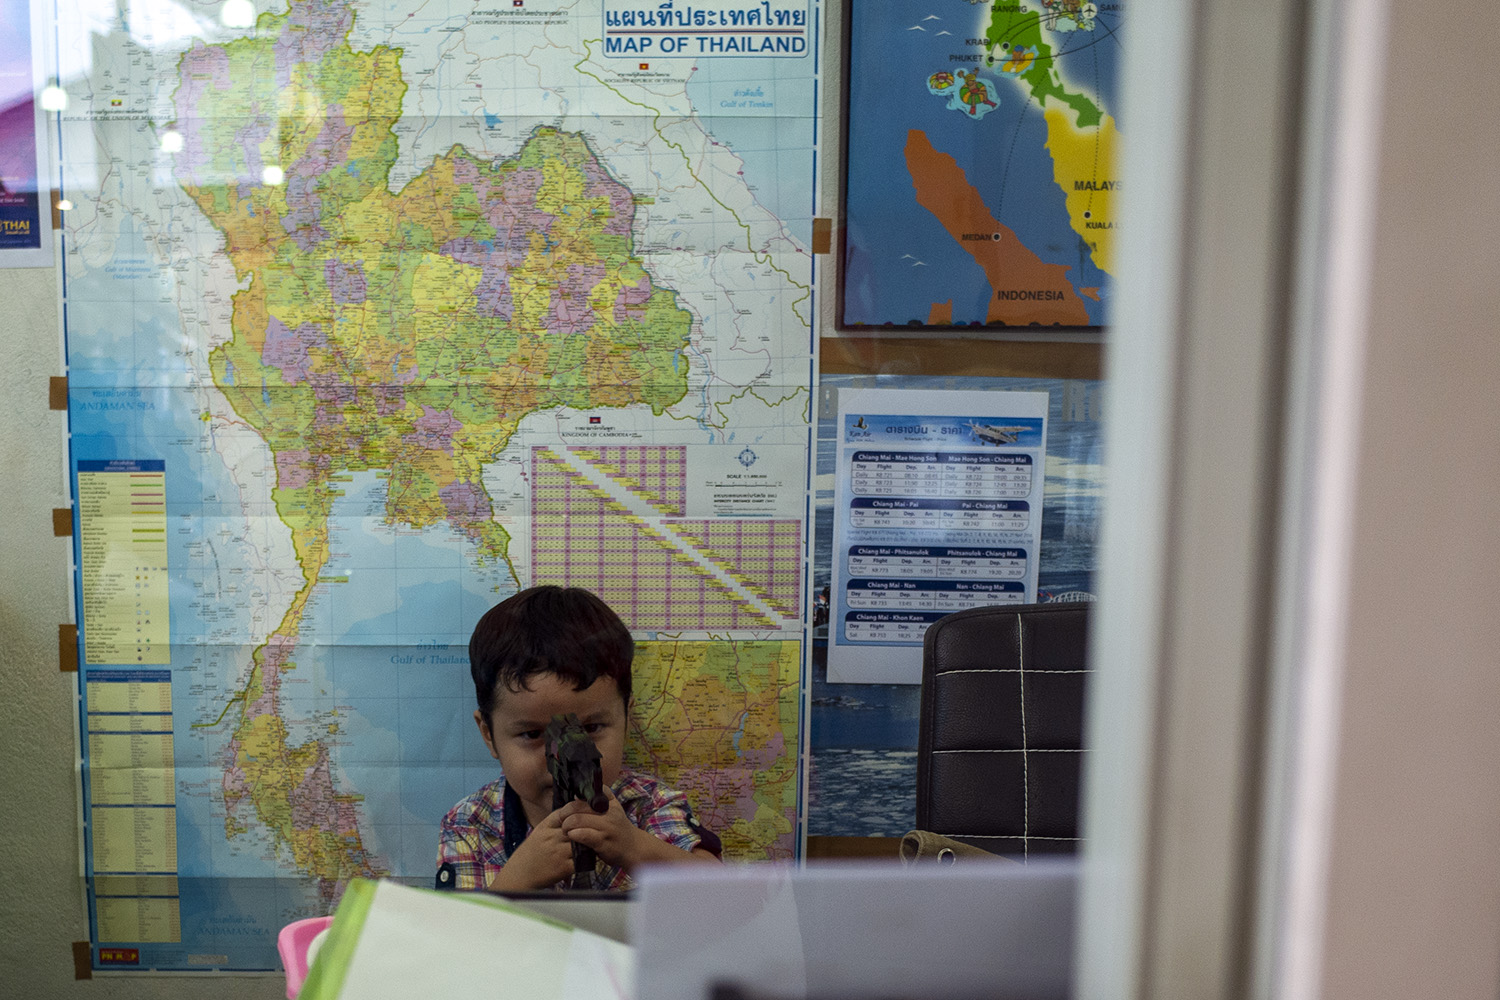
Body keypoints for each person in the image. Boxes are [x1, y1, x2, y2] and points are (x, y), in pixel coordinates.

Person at [437, 585, 722, 891]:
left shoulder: (649, 806)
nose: (563, 759)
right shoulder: (469, 824)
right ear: (489, 735)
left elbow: (721, 894)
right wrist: (516, 882)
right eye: (532, 734)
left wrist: (635, 847)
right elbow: (456, 923)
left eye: (590, 728)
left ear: (627, 720)